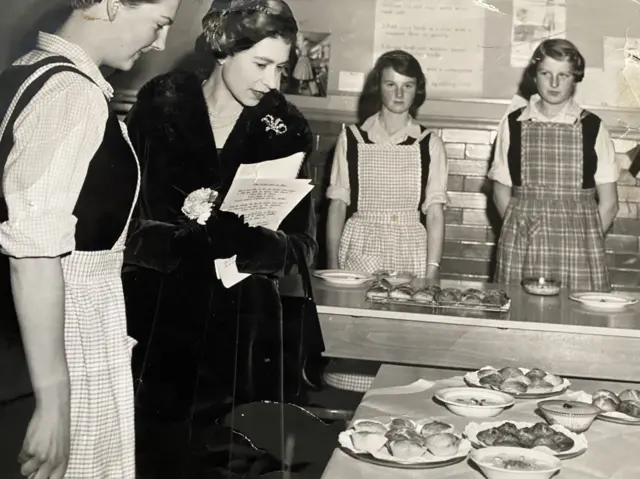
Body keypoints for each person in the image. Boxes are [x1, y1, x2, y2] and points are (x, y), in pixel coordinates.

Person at [123, 0, 318, 476]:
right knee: (155, 461)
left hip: (245, 342)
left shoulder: (287, 129)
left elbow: (302, 247)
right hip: (160, 331)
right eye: (262, 64)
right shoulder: (158, 106)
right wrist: (188, 240)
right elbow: (124, 226)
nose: (273, 81)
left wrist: (253, 242)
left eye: (281, 67)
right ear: (224, 47)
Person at [0, 0, 180, 478]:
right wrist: (55, 404)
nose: (160, 43)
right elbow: (34, 253)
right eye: (160, 24)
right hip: (64, 329)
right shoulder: (70, 93)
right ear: (109, 5)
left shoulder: (25, 71)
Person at [323, 50, 448, 393]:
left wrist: (431, 270)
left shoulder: (429, 143)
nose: (397, 93)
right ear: (378, 85)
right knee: (358, 340)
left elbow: (435, 212)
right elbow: (337, 205)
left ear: (417, 90)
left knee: (402, 347)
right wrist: (333, 266)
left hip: (410, 246)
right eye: (390, 84)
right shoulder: (352, 138)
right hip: (362, 242)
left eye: (407, 86)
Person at [489, 39, 619, 291]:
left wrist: (585, 239)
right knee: (519, 316)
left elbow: (610, 203)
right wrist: (520, 231)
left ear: (575, 78)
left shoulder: (593, 127)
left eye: (564, 75)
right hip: (523, 244)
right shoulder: (512, 124)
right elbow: (500, 190)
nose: (554, 83)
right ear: (534, 76)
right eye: (546, 73)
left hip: (579, 245)